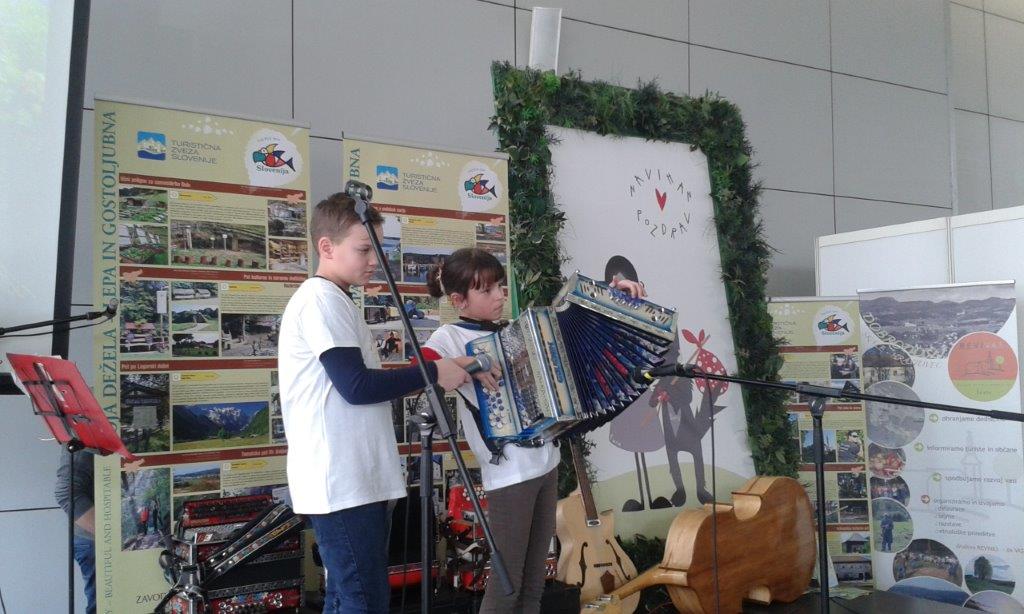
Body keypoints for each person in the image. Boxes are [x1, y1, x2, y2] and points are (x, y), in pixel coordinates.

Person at [277, 193, 477, 614]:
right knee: (363, 601)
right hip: (342, 482)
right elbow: (356, 386)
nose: (375, 261)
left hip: (353, 480)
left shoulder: (335, 299)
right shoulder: (320, 299)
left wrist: (442, 368)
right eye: (364, 249)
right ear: (326, 247)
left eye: (378, 250)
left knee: (349, 598)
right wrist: (434, 372)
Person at [421, 247, 644, 613]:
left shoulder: (514, 330)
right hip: (509, 474)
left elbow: (572, 331)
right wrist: (467, 362)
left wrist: (614, 296)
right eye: (486, 290)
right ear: (459, 300)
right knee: (506, 583)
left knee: (535, 581)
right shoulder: (449, 337)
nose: (499, 296)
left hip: (546, 461)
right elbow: (419, 368)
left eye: (500, 287)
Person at [55, 449, 96, 614]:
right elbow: (67, 493)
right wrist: (114, 536)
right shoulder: (83, 433)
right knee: (108, 606)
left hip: (121, 539)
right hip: (97, 542)